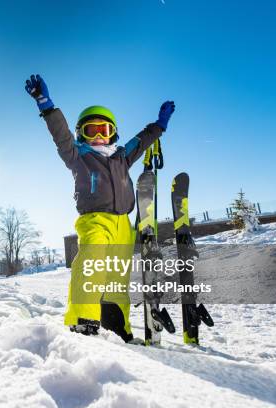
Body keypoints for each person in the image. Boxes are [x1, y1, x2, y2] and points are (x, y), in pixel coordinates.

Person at [25, 74, 175, 343]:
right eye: (90, 131)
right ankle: (84, 319)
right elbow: (61, 137)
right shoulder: (77, 156)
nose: (97, 137)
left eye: (102, 131)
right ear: (81, 134)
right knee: (92, 261)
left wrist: (160, 126)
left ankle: (118, 327)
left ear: (112, 133)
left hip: (123, 226)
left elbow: (141, 141)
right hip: (95, 220)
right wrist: (46, 106)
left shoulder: (121, 156)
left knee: (117, 277)